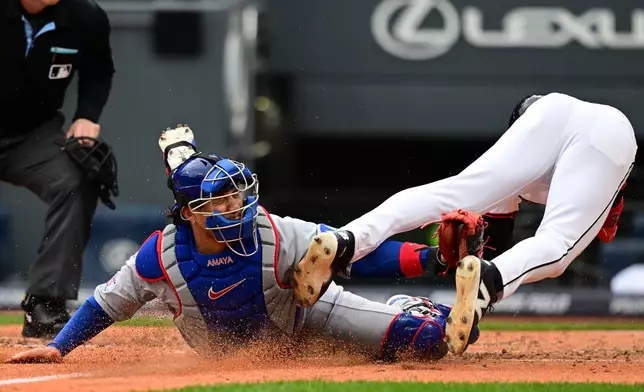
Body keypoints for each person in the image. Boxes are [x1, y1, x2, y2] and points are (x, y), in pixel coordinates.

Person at [4, 126, 480, 364]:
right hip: (235, 345)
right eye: (223, 201)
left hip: (306, 309)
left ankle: (415, 308)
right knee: (189, 180)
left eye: (238, 196)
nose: (239, 208)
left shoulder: (273, 232)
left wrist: (433, 259)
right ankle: (179, 156)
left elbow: (354, 252)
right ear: (189, 214)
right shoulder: (159, 256)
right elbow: (104, 306)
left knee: (431, 345)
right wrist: (59, 348)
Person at [291, 92, 637, 355]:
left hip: (548, 110)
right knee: (558, 244)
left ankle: (348, 238)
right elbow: (497, 250)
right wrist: (479, 271)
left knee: (453, 191)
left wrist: (469, 262)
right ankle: (490, 283)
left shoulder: (530, 140)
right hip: (608, 132)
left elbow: (496, 241)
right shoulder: (589, 139)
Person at [0, 0, 116, 338]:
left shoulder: (84, 15)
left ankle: (45, 305)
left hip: (33, 135)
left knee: (77, 177)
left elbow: (98, 70)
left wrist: (87, 115)